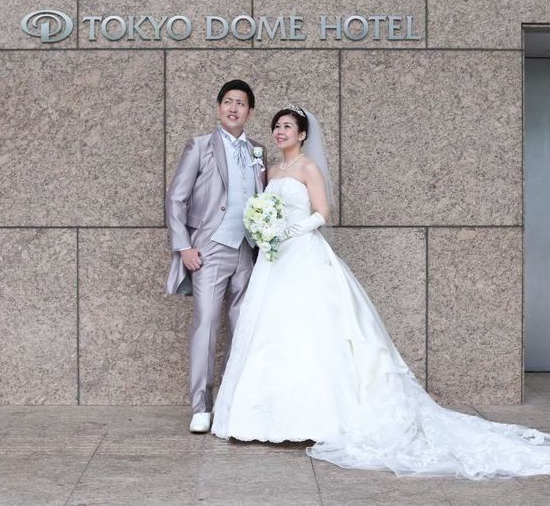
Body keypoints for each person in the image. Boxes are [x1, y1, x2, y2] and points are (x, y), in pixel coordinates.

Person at [211, 104, 550, 479]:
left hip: (303, 253)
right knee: (270, 329)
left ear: (302, 134)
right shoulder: (272, 171)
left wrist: (289, 231)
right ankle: (259, 416)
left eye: (288, 126)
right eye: (277, 126)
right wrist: (264, 228)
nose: (280, 131)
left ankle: (319, 418)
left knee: (312, 327)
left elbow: (323, 212)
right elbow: (261, 208)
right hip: (274, 261)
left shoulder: (308, 168)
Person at [166, 80, 266, 434]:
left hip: (247, 251)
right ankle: (202, 406)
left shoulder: (258, 151)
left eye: (241, 103)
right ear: (219, 107)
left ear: (250, 112)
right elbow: (176, 198)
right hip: (209, 250)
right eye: (228, 102)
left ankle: (233, 403)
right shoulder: (200, 146)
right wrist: (184, 246)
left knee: (244, 328)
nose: (233, 108)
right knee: (206, 324)